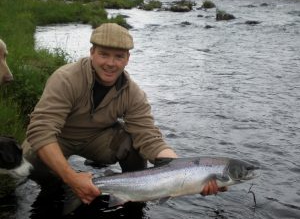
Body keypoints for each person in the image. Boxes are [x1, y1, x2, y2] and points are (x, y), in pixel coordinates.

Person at [22, 23, 225, 207]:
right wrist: (71, 177)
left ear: (127, 59)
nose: (111, 63)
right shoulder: (66, 78)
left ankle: (132, 193)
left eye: (119, 56)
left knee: (132, 141)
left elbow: (149, 138)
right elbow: (41, 129)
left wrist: (189, 174)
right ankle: (58, 185)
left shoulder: (133, 93)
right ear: (92, 52)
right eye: (104, 54)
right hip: (59, 138)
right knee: (29, 158)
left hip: (97, 140)